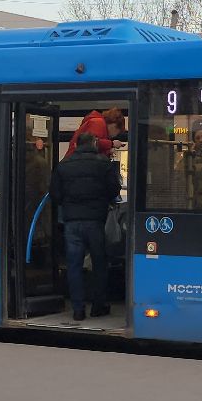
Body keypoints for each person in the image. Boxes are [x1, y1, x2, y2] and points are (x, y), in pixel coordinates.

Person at [49, 132, 120, 320]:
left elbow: (55, 193)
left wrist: (69, 204)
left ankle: (78, 309)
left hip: (72, 222)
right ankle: (98, 305)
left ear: (76, 145)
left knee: (74, 265)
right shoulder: (103, 164)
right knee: (99, 264)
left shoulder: (64, 165)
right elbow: (114, 189)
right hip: (96, 221)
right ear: (94, 143)